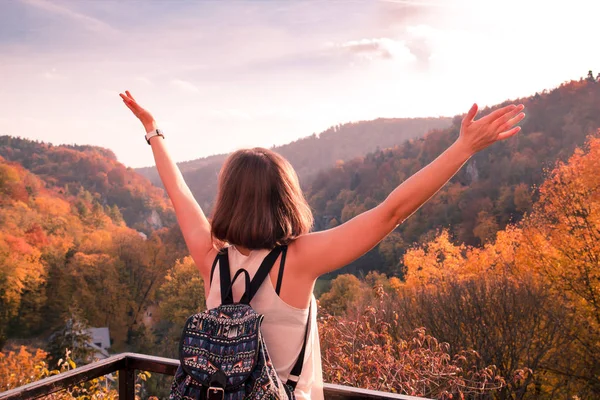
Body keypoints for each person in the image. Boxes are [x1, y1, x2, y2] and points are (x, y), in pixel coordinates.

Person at [119, 90, 525, 399]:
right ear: (286, 197)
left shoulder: (213, 261)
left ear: (227, 198)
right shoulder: (297, 260)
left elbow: (180, 195)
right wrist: (464, 147)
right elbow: (390, 212)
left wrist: (153, 132)